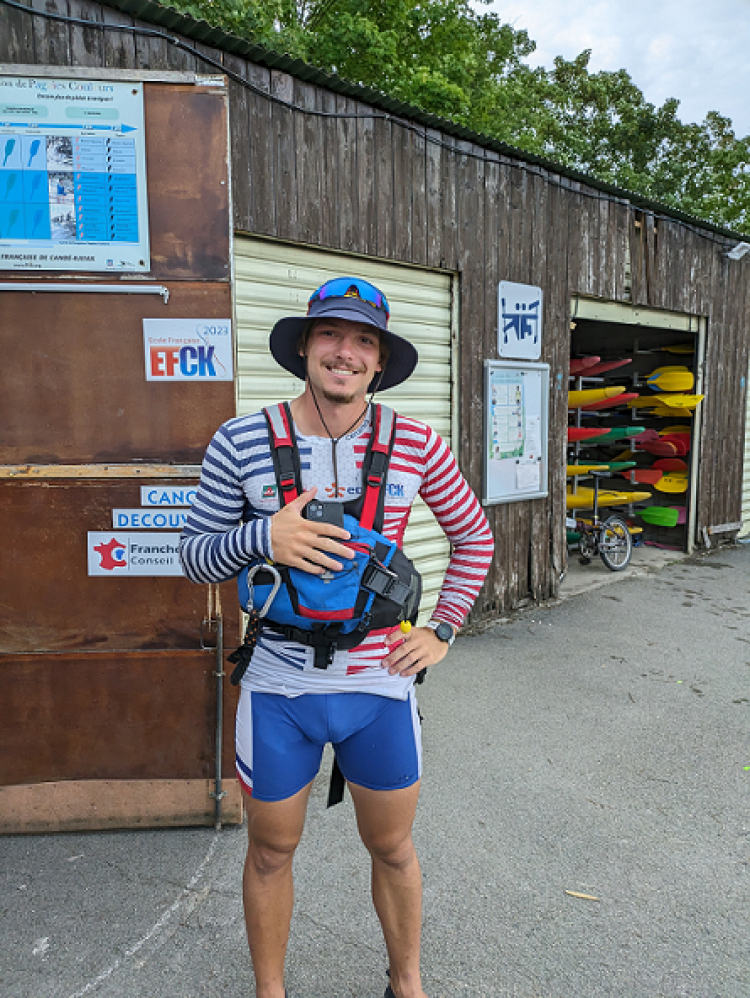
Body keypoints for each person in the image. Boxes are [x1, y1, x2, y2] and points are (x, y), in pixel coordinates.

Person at [180, 277, 494, 998]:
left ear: (379, 362)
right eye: (330, 334)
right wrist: (268, 534)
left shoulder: (417, 443)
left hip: (378, 683)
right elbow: (193, 553)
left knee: (391, 846)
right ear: (303, 346)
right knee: (269, 850)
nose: (344, 352)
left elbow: (473, 535)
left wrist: (442, 629)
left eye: (363, 341)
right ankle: (271, 991)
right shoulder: (241, 440)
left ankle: (407, 982)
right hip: (279, 686)